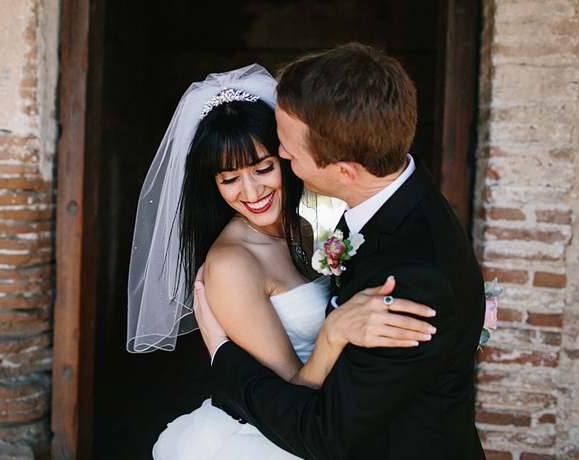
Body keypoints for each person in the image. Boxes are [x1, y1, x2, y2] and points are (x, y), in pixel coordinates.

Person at [126, 64, 437, 460]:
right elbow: (289, 392)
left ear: (287, 157)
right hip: (282, 438)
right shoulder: (231, 263)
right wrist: (333, 333)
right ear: (213, 184)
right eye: (229, 178)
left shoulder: (302, 229)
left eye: (263, 168)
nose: (252, 191)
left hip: (338, 421)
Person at [194, 43, 488, 459]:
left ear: (344, 172)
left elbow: (324, 431)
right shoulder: (405, 204)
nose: (281, 152)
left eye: (285, 152)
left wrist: (223, 355)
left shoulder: (409, 278)